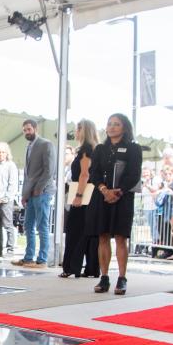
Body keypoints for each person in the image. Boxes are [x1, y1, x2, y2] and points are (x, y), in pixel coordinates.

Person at [85, 113, 142, 295]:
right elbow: (93, 173)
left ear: (124, 127)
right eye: (109, 124)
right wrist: (104, 190)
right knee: (102, 236)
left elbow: (133, 174)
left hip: (122, 198)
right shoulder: (100, 149)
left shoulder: (133, 148)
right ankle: (104, 277)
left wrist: (118, 191)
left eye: (116, 124)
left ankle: (122, 278)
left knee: (120, 238)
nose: (112, 127)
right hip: (101, 197)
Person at [60, 118, 100, 278]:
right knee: (88, 232)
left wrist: (78, 195)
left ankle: (71, 267)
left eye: (77, 129)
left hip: (83, 193)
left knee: (75, 231)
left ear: (83, 131)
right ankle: (90, 268)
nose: (75, 133)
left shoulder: (85, 150)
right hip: (89, 194)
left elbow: (85, 174)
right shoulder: (92, 149)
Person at [13, 119, 55, 269]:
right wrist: (24, 195)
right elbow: (27, 174)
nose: (26, 132)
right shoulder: (28, 146)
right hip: (30, 193)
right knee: (28, 225)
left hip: (42, 192)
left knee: (42, 226)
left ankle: (42, 259)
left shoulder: (46, 144)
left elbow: (49, 170)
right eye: (24, 130)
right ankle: (28, 257)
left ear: (35, 128)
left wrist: (39, 188)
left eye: (29, 129)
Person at [0, 142, 18, 259]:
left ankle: (10, 249)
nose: (0, 154)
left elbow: (13, 183)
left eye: (3, 152)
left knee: (8, 225)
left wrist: (7, 197)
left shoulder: (11, 165)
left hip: (5, 200)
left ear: (7, 153)